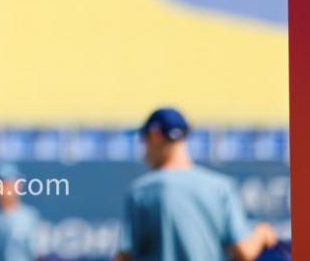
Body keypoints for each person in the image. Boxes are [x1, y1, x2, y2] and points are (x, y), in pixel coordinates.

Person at [115, 107, 279, 261]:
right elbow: (245, 250)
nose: (144, 153)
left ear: (155, 136)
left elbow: (126, 256)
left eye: (145, 141)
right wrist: (262, 233)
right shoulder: (220, 187)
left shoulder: (141, 191)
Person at [0, 163, 42, 261]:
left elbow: (38, 253)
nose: (1, 190)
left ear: (18, 185)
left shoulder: (30, 216)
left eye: (6, 185)